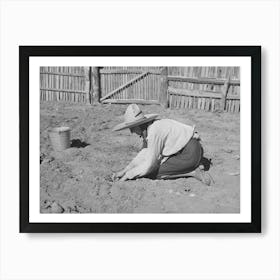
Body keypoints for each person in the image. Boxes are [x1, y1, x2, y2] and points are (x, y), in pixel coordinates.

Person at [112, 104, 212, 185]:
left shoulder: (154, 132)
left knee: (153, 172)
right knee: (150, 167)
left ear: (138, 126)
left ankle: (192, 171)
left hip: (190, 154)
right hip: (192, 150)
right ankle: (192, 166)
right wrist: (125, 170)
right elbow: (144, 154)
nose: (131, 132)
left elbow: (149, 164)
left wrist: (128, 175)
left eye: (132, 128)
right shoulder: (150, 128)